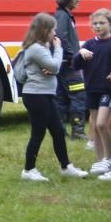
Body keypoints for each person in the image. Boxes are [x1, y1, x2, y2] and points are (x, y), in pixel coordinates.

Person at [19, 13, 89, 181]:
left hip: (45, 95)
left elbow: (50, 67)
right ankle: (28, 170)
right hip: (36, 96)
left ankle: (66, 166)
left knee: (57, 131)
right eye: (53, 31)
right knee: (38, 133)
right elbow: (55, 67)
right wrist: (58, 48)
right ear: (45, 30)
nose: (55, 34)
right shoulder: (36, 48)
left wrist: (50, 64)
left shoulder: (41, 48)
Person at [71, 9, 111, 175]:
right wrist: (79, 53)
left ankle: (108, 158)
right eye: (95, 23)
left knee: (101, 124)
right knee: (95, 127)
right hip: (91, 90)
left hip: (108, 90)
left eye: (102, 23)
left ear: (110, 24)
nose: (98, 26)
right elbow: (75, 65)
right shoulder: (89, 44)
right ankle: (99, 160)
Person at [53, 0, 87, 140]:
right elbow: (61, 37)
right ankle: (78, 131)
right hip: (69, 65)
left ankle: (60, 131)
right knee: (79, 95)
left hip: (63, 64)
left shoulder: (63, 15)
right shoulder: (63, 17)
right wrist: (74, 56)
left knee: (61, 98)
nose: (79, 0)